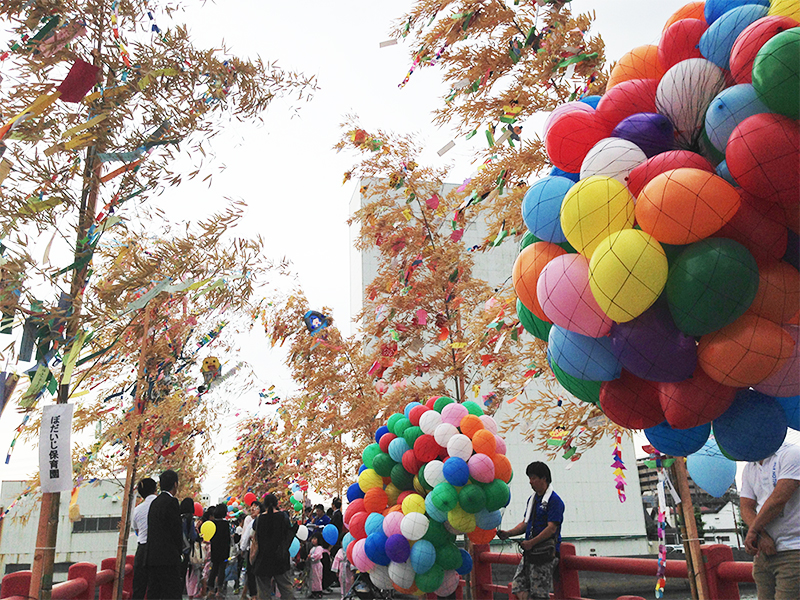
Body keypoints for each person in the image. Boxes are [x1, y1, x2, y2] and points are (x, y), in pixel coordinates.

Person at [741, 442, 800, 599]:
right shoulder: (749, 467)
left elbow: (779, 499)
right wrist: (760, 534)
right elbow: (745, 506)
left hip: (794, 549)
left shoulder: (792, 454)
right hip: (763, 552)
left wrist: (753, 531)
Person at [497, 461, 564, 600]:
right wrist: (508, 533)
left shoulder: (554, 501)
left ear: (543, 479)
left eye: (533, 478)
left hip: (545, 553)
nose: (530, 482)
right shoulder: (532, 500)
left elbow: (552, 528)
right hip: (531, 551)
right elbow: (525, 524)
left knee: (539, 593)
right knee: (518, 586)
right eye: (530, 478)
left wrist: (531, 542)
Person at [146, 469, 183, 600]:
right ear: (175, 484)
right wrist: (179, 551)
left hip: (152, 557)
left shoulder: (154, 503)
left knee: (154, 593)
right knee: (172, 593)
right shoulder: (172, 502)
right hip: (168, 558)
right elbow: (176, 531)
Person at [253, 493, 295, 600]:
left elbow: (256, 539)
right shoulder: (283, 517)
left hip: (263, 559)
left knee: (263, 592)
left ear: (265, 505)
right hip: (280, 558)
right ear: (276, 504)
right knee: (286, 589)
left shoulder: (259, 519)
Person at [131, 477, 157, 600]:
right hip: (158, 549)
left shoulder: (137, 510)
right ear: (156, 489)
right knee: (155, 586)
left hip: (142, 548)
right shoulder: (163, 505)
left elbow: (137, 530)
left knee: (139, 585)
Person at [208, 503, 232, 599]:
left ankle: (210, 589)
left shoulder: (212, 523)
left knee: (214, 569)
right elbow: (228, 539)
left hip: (214, 549)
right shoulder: (225, 524)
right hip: (223, 550)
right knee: (221, 570)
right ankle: (219, 590)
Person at [239, 500, 261, 600]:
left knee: (251, 573)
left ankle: (254, 596)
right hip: (262, 552)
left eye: (255, 507)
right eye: (252, 507)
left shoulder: (253, 521)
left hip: (252, 551)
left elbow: (246, 536)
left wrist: (242, 548)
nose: (252, 509)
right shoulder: (266, 520)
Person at [308, 532, 327, 599]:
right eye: (312, 539)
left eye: (315, 539)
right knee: (313, 578)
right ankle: (313, 591)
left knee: (317, 578)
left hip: (317, 565)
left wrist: (311, 556)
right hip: (313, 565)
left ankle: (318, 591)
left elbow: (318, 555)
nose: (313, 540)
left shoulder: (319, 548)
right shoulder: (312, 548)